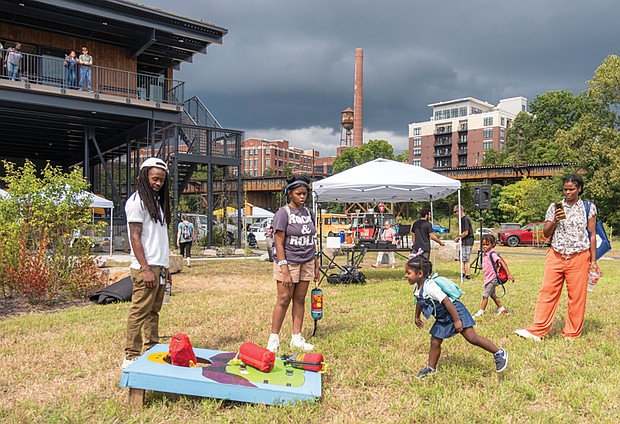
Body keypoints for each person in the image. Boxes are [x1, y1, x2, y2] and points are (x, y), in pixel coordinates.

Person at [515, 174, 600, 341]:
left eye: (572, 189)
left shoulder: (589, 208)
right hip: (556, 254)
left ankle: (571, 333)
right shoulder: (555, 207)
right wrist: (554, 220)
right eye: (565, 189)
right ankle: (537, 331)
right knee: (547, 293)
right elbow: (546, 233)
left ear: (579, 189)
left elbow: (592, 234)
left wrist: (593, 261)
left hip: (579, 256)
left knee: (577, 296)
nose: (568, 192)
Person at [406, 257, 508, 378]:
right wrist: (416, 316)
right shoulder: (418, 286)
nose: (406, 276)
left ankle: (499, 353)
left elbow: (447, 302)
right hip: (443, 317)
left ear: (420, 274)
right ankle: (430, 368)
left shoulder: (431, 287)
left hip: (455, 312)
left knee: (472, 338)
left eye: (408, 273)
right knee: (435, 341)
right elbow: (419, 300)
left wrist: (457, 320)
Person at [123, 157, 172, 369]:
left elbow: (159, 238)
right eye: (154, 179)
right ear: (144, 178)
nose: (158, 183)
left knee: (154, 311)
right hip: (146, 266)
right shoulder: (137, 203)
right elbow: (135, 237)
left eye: (161, 180)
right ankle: (131, 355)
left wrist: (166, 268)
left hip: (159, 266)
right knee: (139, 310)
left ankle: (151, 348)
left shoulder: (156, 204)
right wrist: (145, 269)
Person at [267, 175, 319, 353]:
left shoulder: (309, 213)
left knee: (299, 299)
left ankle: (296, 337)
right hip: (289, 262)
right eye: (298, 194)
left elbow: (312, 239)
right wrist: (285, 269)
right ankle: (274, 338)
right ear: (290, 193)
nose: (302, 197)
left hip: (307, 261)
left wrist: (316, 262)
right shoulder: (283, 213)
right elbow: (278, 243)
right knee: (283, 299)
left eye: (305, 194)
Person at [473, 234, 514, 317]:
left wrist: (509, 274)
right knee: (492, 295)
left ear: (492, 244)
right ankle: (502, 309)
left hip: (492, 278)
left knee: (485, 295)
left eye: (487, 244)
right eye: (483, 245)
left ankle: (481, 312)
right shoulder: (486, 254)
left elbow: (502, 262)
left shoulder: (492, 254)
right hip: (488, 278)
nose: (485, 247)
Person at [453, 205, 474, 279]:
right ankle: (463, 273)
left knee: (465, 259)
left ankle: (467, 275)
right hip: (464, 241)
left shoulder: (465, 219)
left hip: (467, 241)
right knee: (462, 258)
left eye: (455, 212)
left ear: (461, 211)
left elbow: (466, 232)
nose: (454, 214)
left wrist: (458, 238)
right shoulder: (461, 220)